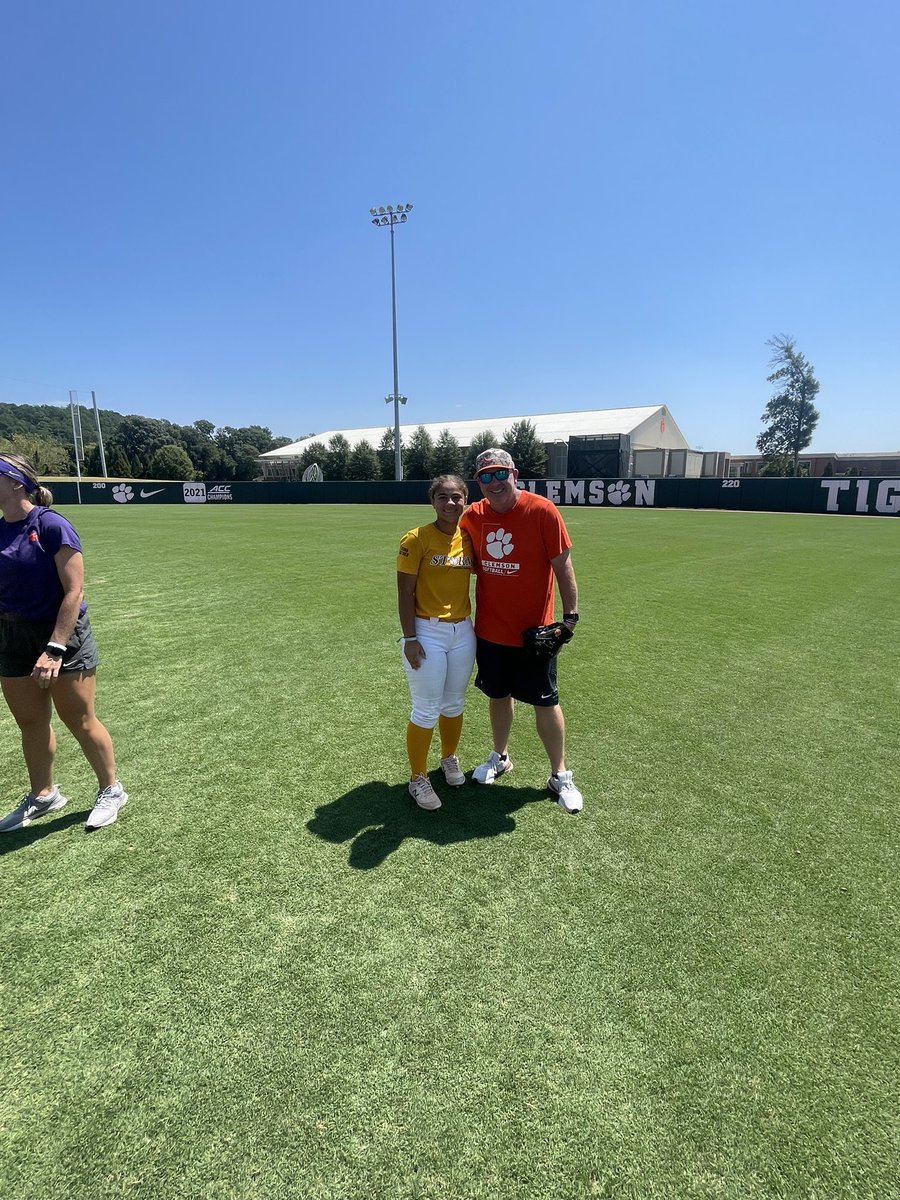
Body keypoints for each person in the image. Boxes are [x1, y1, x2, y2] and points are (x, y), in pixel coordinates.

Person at [0, 452, 128, 832]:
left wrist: (55, 647)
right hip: (12, 636)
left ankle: (111, 789)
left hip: (61, 633)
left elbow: (74, 591)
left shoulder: (52, 525)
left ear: (16, 483)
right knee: (30, 721)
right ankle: (44, 795)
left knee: (79, 718)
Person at [460, 448, 584, 813]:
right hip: (490, 631)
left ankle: (559, 774)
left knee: (546, 702)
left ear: (515, 474)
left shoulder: (542, 510)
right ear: (478, 482)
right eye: (485, 477)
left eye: (501, 474)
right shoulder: (472, 517)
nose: (494, 482)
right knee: (498, 696)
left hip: (535, 633)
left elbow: (563, 567)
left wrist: (570, 618)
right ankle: (500, 757)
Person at [396, 474, 476, 810]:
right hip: (426, 631)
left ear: (465, 500)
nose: (450, 503)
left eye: (456, 497)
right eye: (442, 497)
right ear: (432, 501)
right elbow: (405, 592)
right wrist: (410, 638)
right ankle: (417, 777)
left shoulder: (469, 538)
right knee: (426, 708)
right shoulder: (416, 538)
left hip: (463, 631)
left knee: (454, 703)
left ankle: (448, 758)